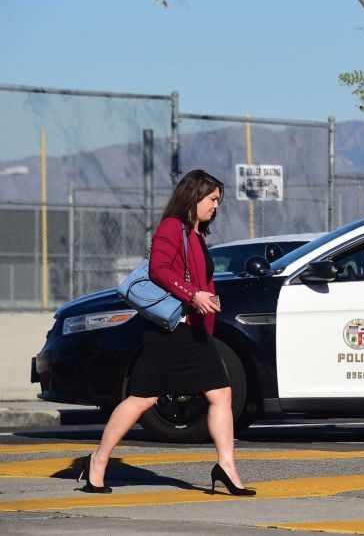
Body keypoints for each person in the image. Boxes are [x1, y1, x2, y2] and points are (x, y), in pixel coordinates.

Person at [77, 169, 255, 496]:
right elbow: (159, 270)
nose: (216, 206)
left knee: (221, 394)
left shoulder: (197, 235)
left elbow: (199, 280)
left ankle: (226, 467)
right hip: (168, 332)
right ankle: (97, 461)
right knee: (142, 398)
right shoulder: (171, 228)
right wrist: (193, 295)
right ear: (194, 196)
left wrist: (205, 302)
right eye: (212, 199)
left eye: (219, 200)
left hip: (194, 332)